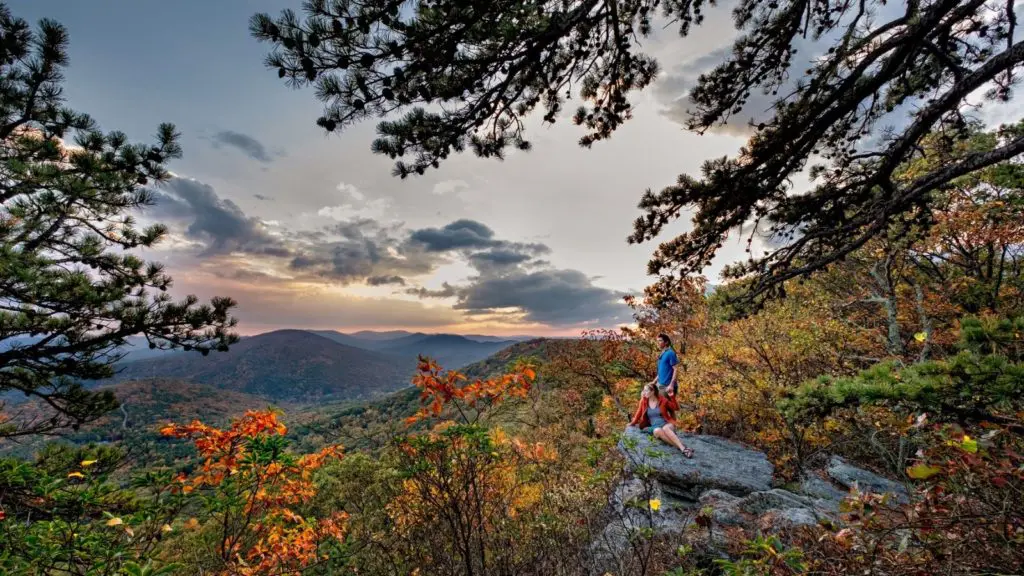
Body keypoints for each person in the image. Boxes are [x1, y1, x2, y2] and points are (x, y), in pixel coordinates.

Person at [628, 382, 693, 458]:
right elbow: (638, 414)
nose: (643, 392)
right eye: (643, 390)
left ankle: (683, 449)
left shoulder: (662, 400)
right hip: (655, 426)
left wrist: (672, 396)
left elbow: (675, 408)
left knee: (666, 428)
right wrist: (632, 423)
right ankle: (683, 447)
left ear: (652, 391)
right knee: (657, 431)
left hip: (666, 423)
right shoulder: (644, 401)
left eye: (646, 390)